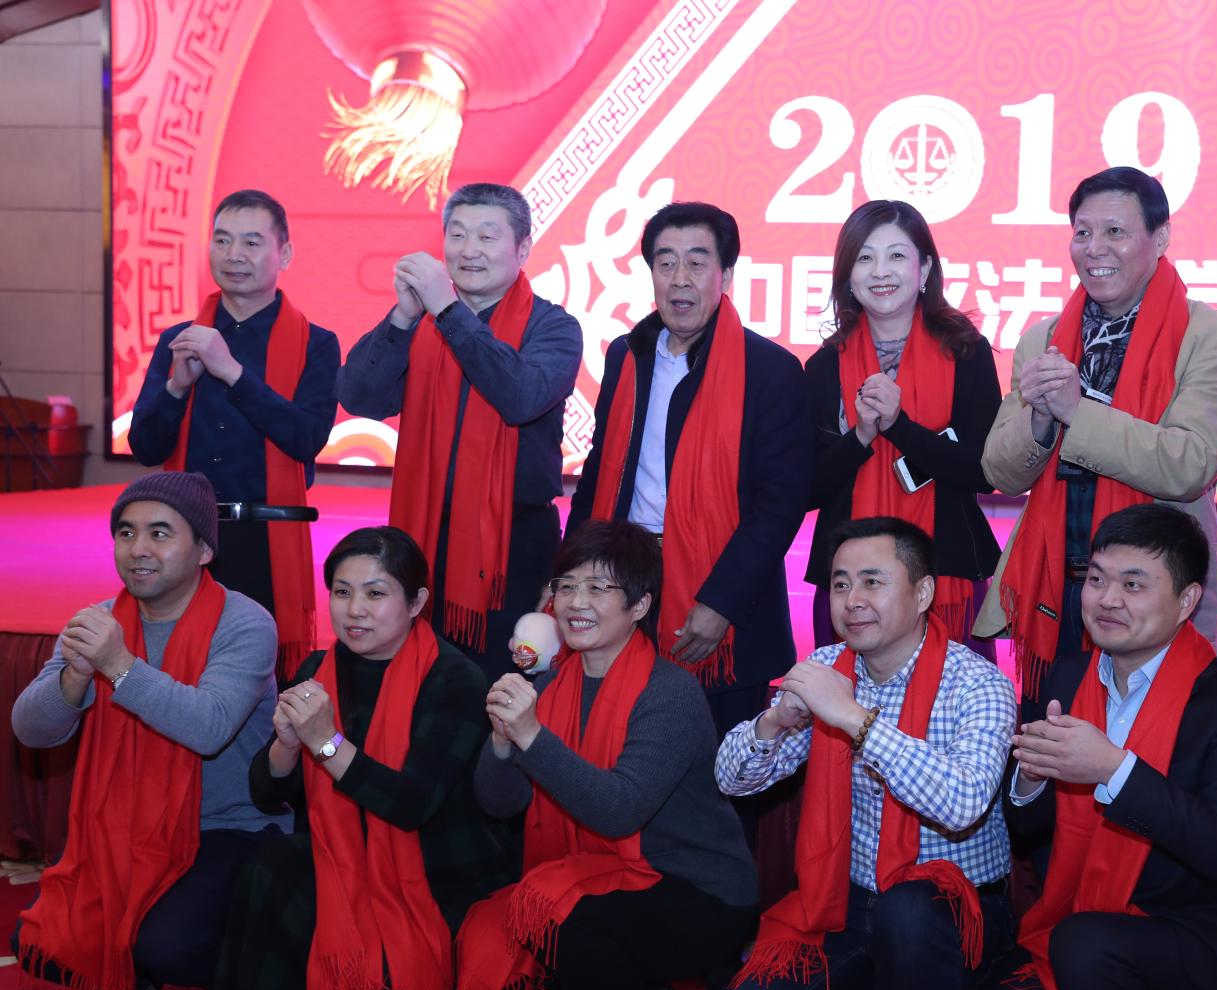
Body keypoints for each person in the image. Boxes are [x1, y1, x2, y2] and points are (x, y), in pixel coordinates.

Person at [961, 504, 1217, 990]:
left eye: (1133, 585)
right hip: (1080, 918)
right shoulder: (1068, 676)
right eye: (1096, 580)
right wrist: (1031, 780)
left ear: (1186, 601)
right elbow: (1031, 833)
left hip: (1201, 941)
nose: (1107, 599)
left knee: (1084, 946)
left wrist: (1113, 767)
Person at [455, 520, 758, 990]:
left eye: (598, 588)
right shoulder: (553, 684)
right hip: (609, 877)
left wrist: (531, 736)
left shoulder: (670, 693)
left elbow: (619, 811)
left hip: (701, 891)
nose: (576, 602)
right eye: (566, 585)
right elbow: (500, 803)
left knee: (569, 928)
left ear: (639, 606)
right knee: (505, 926)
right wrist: (503, 742)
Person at [716, 517, 1016, 990]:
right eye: (840, 584)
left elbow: (963, 803)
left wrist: (854, 719)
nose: (852, 600)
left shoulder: (978, 684)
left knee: (907, 914)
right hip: (844, 904)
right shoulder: (828, 667)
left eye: (872, 582)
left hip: (956, 911)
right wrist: (774, 722)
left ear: (923, 594)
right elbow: (732, 781)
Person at [11, 471, 286, 990]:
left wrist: (118, 665)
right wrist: (74, 678)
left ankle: (248, 982)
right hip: (126, 824)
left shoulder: (245, 623)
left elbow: (208, 727)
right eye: (126, 532)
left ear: (204, 550)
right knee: (39, 942)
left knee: (170, 944)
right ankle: (134, 984)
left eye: (160, 533)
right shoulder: (101, 621)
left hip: (228, 824)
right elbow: (30, 729)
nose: (138, 548)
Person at [211, 526, 518, 990]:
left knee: (295, 890)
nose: (354, 610)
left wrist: (325, 742)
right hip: (343, 848)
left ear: (416, 603)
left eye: (375, 594)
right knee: (269, 870)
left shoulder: (454, 678)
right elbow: (266, 793)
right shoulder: (318, 669)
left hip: (432, 863)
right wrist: (288, 744)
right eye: (342, 592)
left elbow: (410, 805)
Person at [975, 166, 1217, 700]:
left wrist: (1076, 412)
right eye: (1082, 232)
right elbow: (1000, 473)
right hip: (1055, 588)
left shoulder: (1212, 336)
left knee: (1147, 747)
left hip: (1154, 596)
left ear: (1160, 238)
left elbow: (1190, 463)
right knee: (1050, 737)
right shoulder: (1043, 340)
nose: (1094, 248)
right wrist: (1040, 418)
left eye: (1115, 231)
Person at [567, 201, 811, 741]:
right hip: (625, 580)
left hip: (722, 595)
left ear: (726, 274)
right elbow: (598, 473)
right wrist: (567, 577)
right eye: (666, 262)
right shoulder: (627, 356)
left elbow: (780, 503)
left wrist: (722, 601)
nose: (680, 278)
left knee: (720, 764)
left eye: (697, 263)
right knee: (619, 745)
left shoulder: (769, 370)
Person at [337, 182, 582, 677]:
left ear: (523, 249)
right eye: (457, 235)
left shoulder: (553, 327)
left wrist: (447, 312)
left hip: (510, 551)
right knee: (419, 687)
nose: (469, 250)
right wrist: (403, 316)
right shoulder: (421, 325)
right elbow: (360, 397)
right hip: (422, 537)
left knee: (504, 690)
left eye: (487, 237)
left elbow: (519, 396)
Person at [128, 188, 339, 676]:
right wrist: (177, 389)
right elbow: (146, 447)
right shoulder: (178, 340)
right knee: (180, 672)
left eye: (251, 242)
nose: (233, 255)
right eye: (222, 241)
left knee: (267, 678)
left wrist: (232, 373)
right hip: (185, 535)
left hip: (267, 539)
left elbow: (306, 438)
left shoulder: (316, 344)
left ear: (284, 254)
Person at [803, 199, 1001, 656]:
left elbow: (984, 471)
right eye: (864, 258)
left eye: (896, 255)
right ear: (847, 276)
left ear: (924, 268)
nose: (880, 272)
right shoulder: (823, 366)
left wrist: (900, 427)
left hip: (946, 571)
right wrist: (861, 437)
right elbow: (807, 488)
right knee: (845, 698)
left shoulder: (967, 352)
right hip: (848, 583)